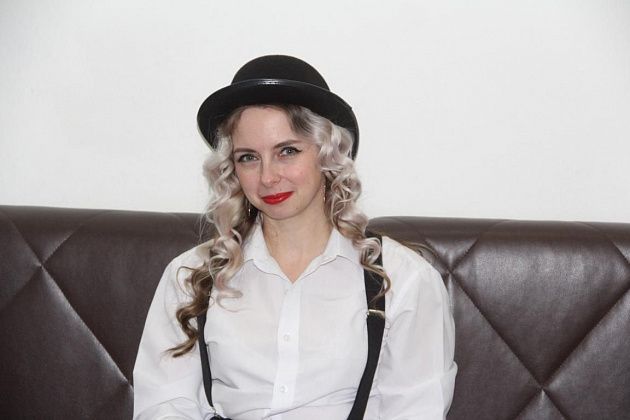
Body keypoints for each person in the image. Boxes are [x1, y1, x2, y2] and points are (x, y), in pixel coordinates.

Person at [133, 55, 457, 420]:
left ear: (327, 155)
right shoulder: (191, 276)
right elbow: (164, 405)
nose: (268, 177)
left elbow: (416, 410)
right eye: (248, 157)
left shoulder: (404, 279)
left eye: (287, 151)